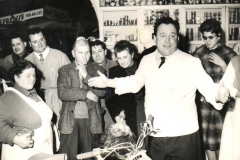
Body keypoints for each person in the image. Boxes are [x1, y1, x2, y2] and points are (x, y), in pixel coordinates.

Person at [88, 17, 229, 160]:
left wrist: (219, 94)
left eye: (172, 36)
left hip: (184, 136)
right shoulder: (146, 60)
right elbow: (135, 82)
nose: (168, 40)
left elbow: (208, 87)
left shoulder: (191, 62)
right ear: (154, 37)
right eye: (163, 36)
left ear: (178, 39)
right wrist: (109, 83)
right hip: (155, 137)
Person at [192, 19, 237, 160]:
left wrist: (224, 66)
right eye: (204, 37)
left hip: (223, 105)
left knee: (221, 142)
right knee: (206, 142)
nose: (207, 41)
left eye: (210, 37)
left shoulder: (229, 54)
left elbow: (237, 81)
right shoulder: (198, 54)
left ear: (218, 36)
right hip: (203, 105)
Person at [57, 38, 106, 160]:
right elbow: (63, 93)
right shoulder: (64, 70)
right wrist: (86, 94)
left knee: (90, 157)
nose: (85, 56)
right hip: (69, 121)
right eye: (80, 52)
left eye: (87, 52)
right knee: (68, 157)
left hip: (92, 120)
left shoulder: (98, 70)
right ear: (73, 53)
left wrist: (86, 75)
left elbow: (101, 91)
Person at [0, 59, 53, 160]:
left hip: (42, 150)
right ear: (16, 77)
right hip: (21, 154)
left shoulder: (33, 93)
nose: (32, 79)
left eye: (34, 75)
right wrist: (14, 138)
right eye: (28, 75)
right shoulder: (8, 97)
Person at [25, 27, 70, 126]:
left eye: (41, 40)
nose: (39, 44)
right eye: (35, 42)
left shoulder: (60, 56)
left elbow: (71, 83)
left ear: (45, 39)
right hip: (36, 101)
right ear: (30, 44)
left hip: (59, 101)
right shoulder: (26, 61)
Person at [105, 40, 145, 137]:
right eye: (119, 58)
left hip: (144, 110)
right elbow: (110, 98)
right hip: (126, 113)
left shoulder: (142, 67)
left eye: (125, 57)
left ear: (132, 54)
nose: (122, 61)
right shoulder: (114, 71)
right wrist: (117, 115)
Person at [90, 39, 118, 128]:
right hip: (96, 108)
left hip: (113, 108)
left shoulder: (115, 66)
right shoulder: (88, 68)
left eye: (100, 51)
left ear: (105, 52)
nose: (97, 55)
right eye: (93, 52)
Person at [219, 55, 240, 160]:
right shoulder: (236, 60)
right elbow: (225, 84)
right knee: (235, 145)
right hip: (238, 107)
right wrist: (238, 93)